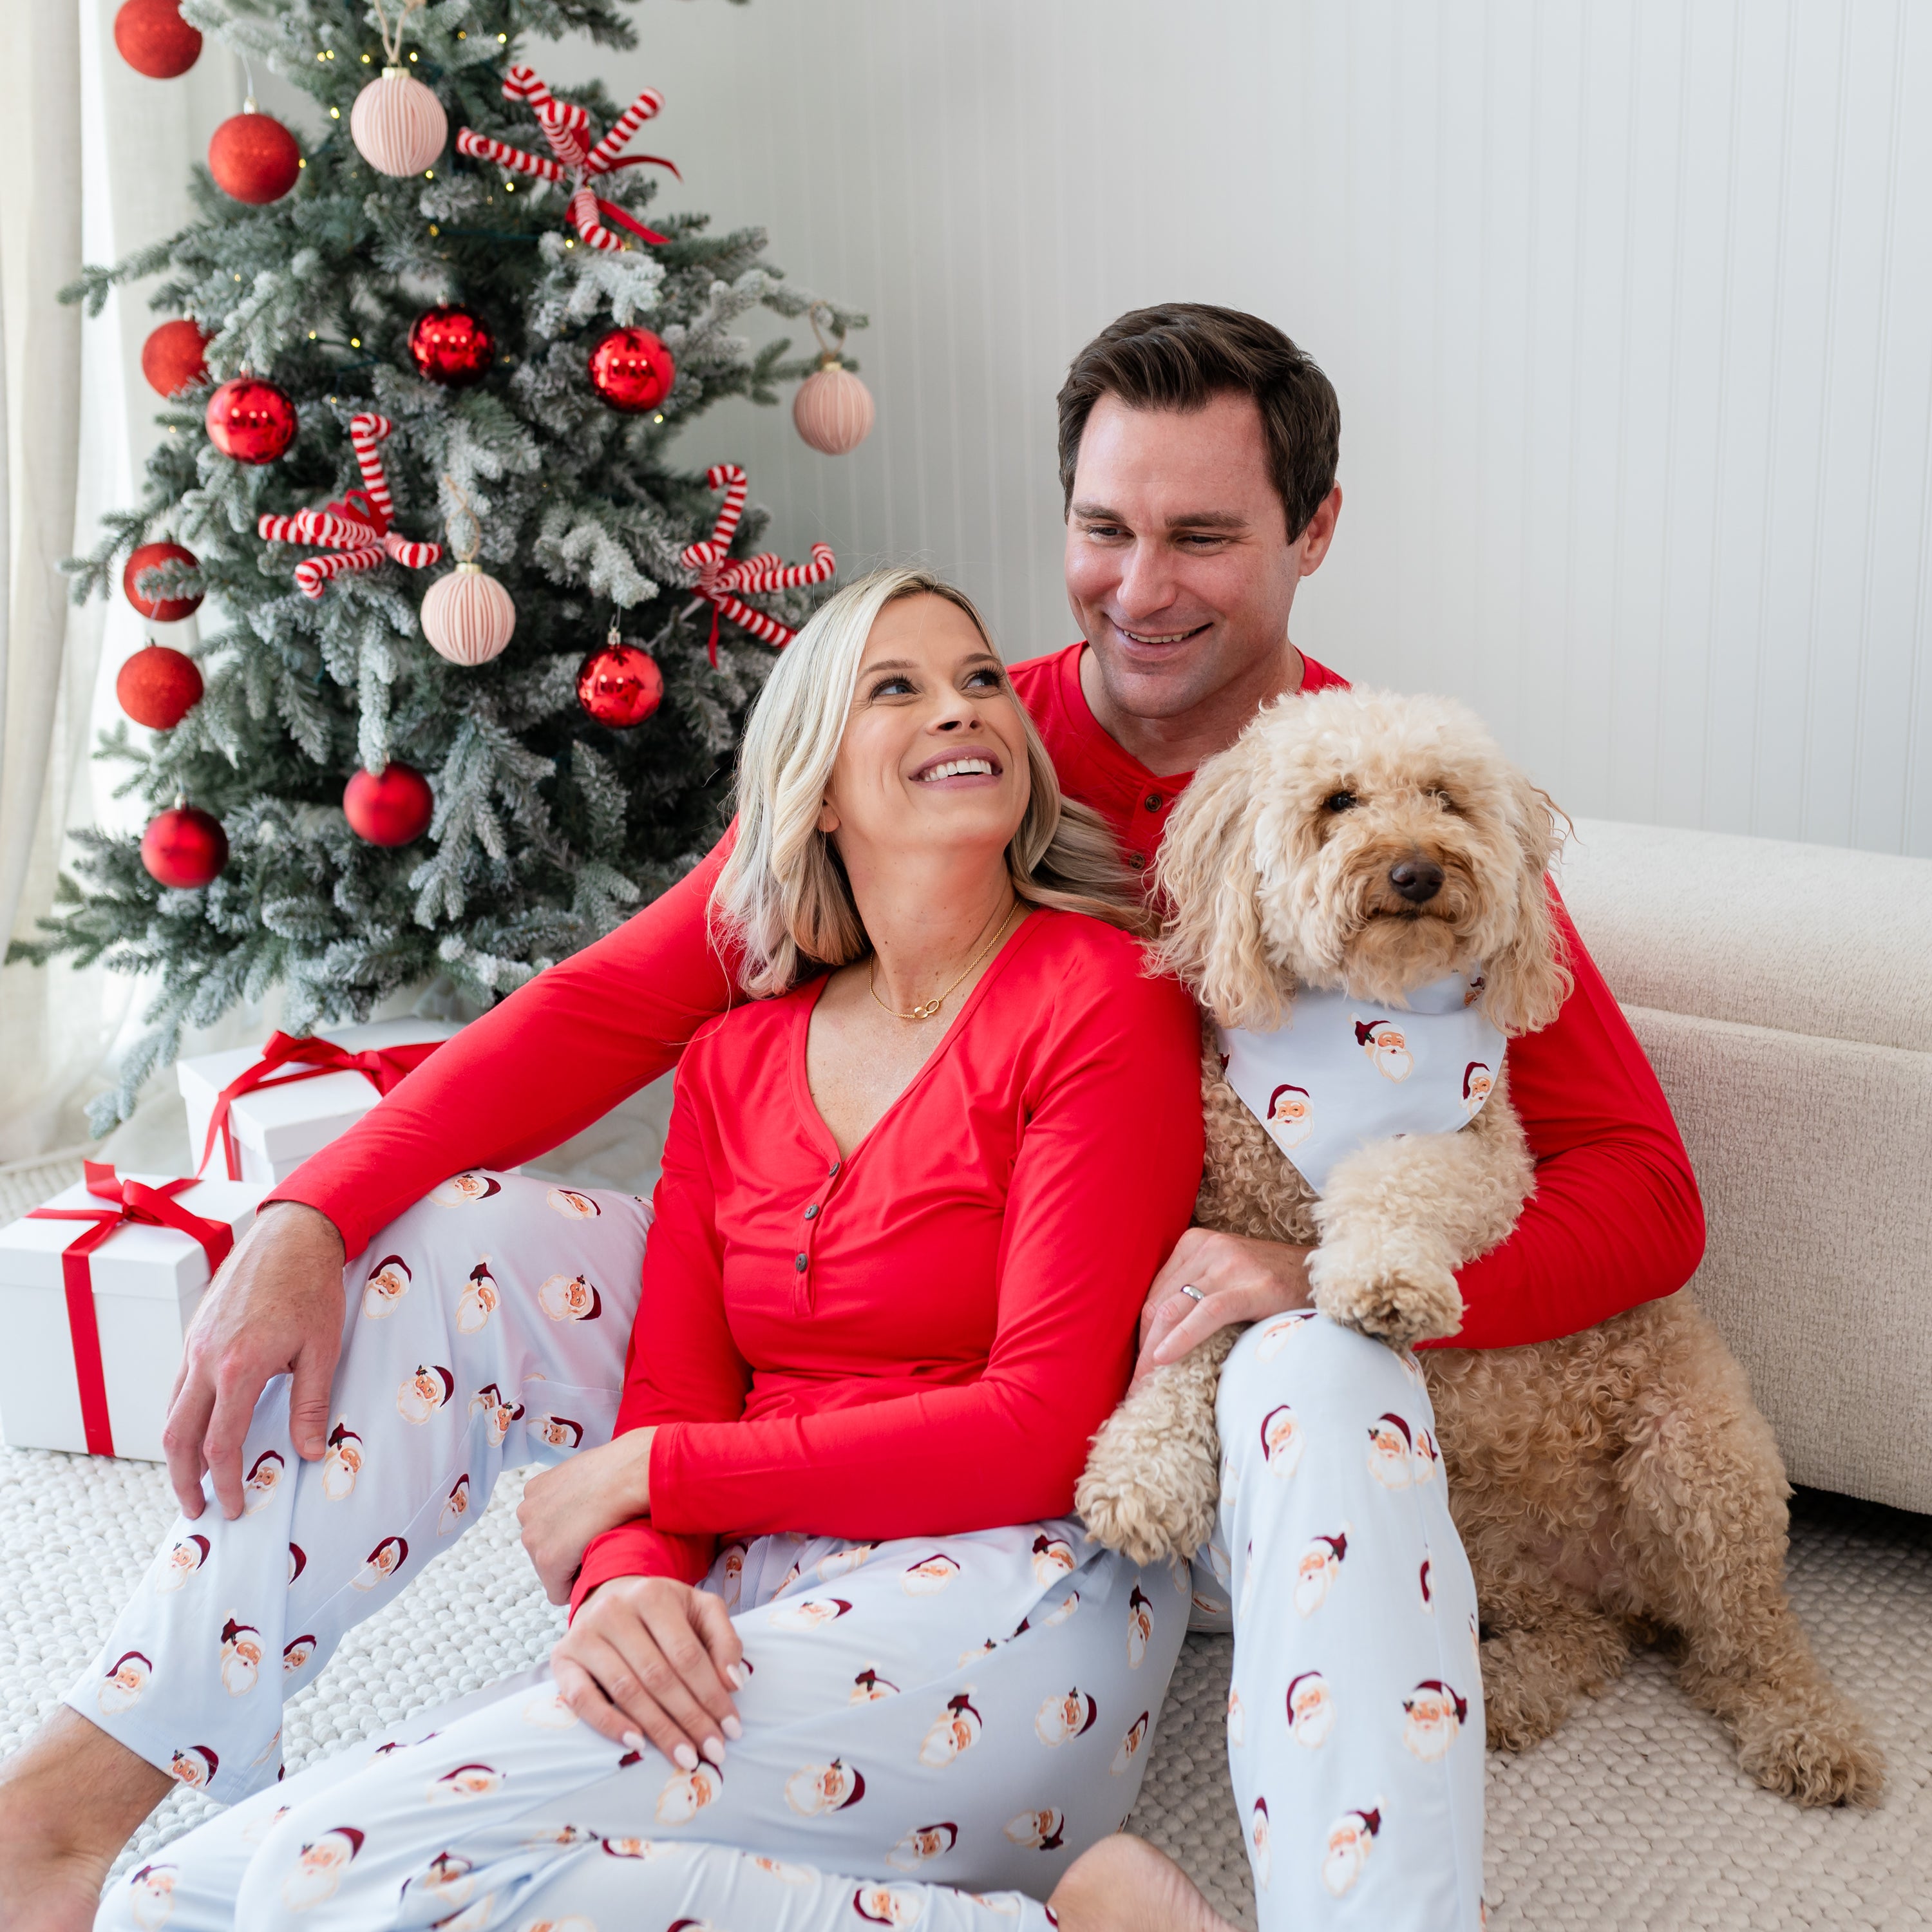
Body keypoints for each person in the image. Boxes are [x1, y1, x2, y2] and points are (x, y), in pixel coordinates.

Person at [0, 306, 1703, 1931]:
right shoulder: (977, 745)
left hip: (1131, 1444)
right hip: (865, 1376)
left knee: (1329, 1367)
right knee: (460, 1240)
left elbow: (1642, 1186)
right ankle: (88, 1797)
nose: (1143, 586)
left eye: (1205, 535)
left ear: (1314, 530)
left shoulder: (1386, 801)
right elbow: (616, 1002)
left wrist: (1315, 1267)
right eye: (1107, 528)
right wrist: (314, 1218)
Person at [87, 569, 1231, 1931]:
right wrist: (627, 1584)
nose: (962, 708)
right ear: (808, 785)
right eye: (897, 687)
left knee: (322, 1878)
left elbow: (1041, 1430)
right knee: (165, 1901)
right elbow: (677, 1385)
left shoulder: (1098, 993)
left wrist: (644, 1482)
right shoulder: (739, 1056)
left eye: (980, 679)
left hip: (1007, 1596)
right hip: (751, 1589)